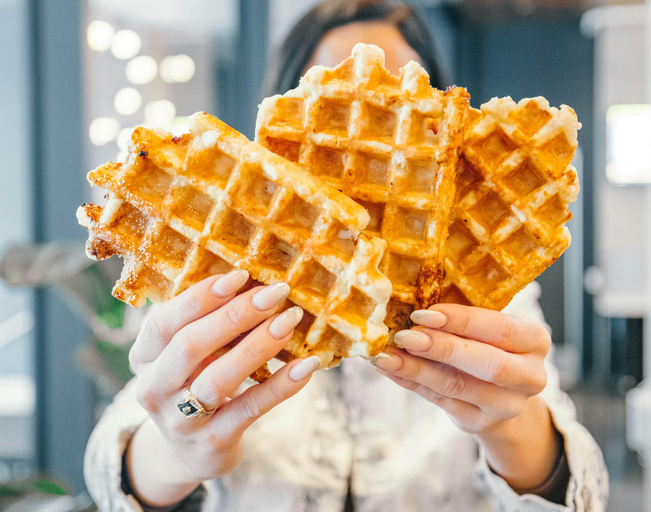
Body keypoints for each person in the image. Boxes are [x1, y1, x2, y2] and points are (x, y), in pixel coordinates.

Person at [84, 1, 609, 511]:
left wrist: (512, 428)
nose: (375, 93)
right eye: (332, 78)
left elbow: (584, 495)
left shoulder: (485, 303)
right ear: (279, 119)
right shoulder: (220, 281)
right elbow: (116, 466)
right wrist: (176, 453)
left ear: (452, 127)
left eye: (406, 82)